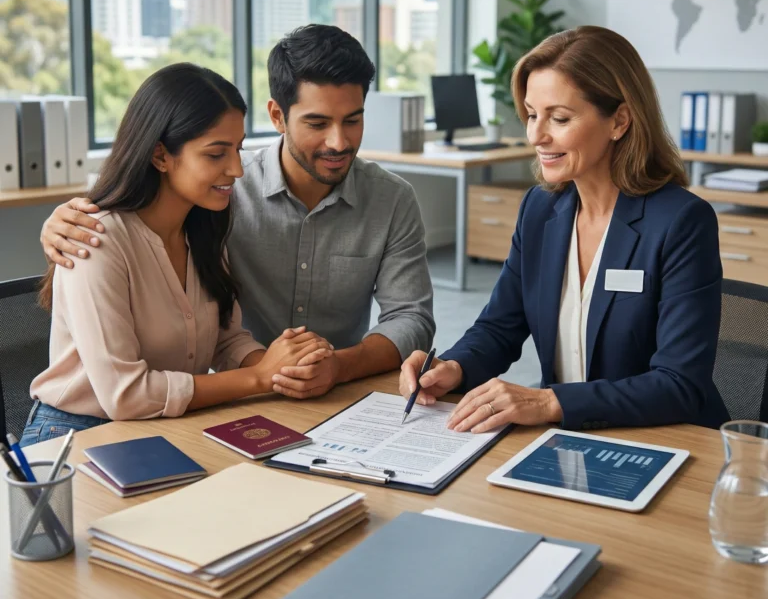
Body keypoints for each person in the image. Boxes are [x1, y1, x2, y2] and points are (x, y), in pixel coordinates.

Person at [40, 25, 435, 402]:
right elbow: (125, 205)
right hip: (229, 396)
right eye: (317, 123)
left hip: (313, 392)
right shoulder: (218, 196)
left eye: (353, 120)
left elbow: (411, 318)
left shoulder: (390, 200)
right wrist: (61, 221)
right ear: (278, 116)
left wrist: (331, 368)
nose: (339, 141)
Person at [400, 26, 730, 433]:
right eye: (532, 115)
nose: (536, 135)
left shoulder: (681, 222)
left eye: (559, 118)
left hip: (667, 440)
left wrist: (548, 401)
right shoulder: (540, 209)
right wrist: (452, 366)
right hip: (566, 438)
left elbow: (680, 385)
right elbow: (499, 325)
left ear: (620, 121)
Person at [21, 64, 332, 447]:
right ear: (160, 155)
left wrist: (285, 367)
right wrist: (258, 377)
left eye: (237, 148)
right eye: (216, 153)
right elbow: (125, 395)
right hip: (73, 436)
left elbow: (224, 340)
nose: (236, 169)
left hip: (167, 423)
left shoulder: (204, 227)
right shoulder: (95, 240)